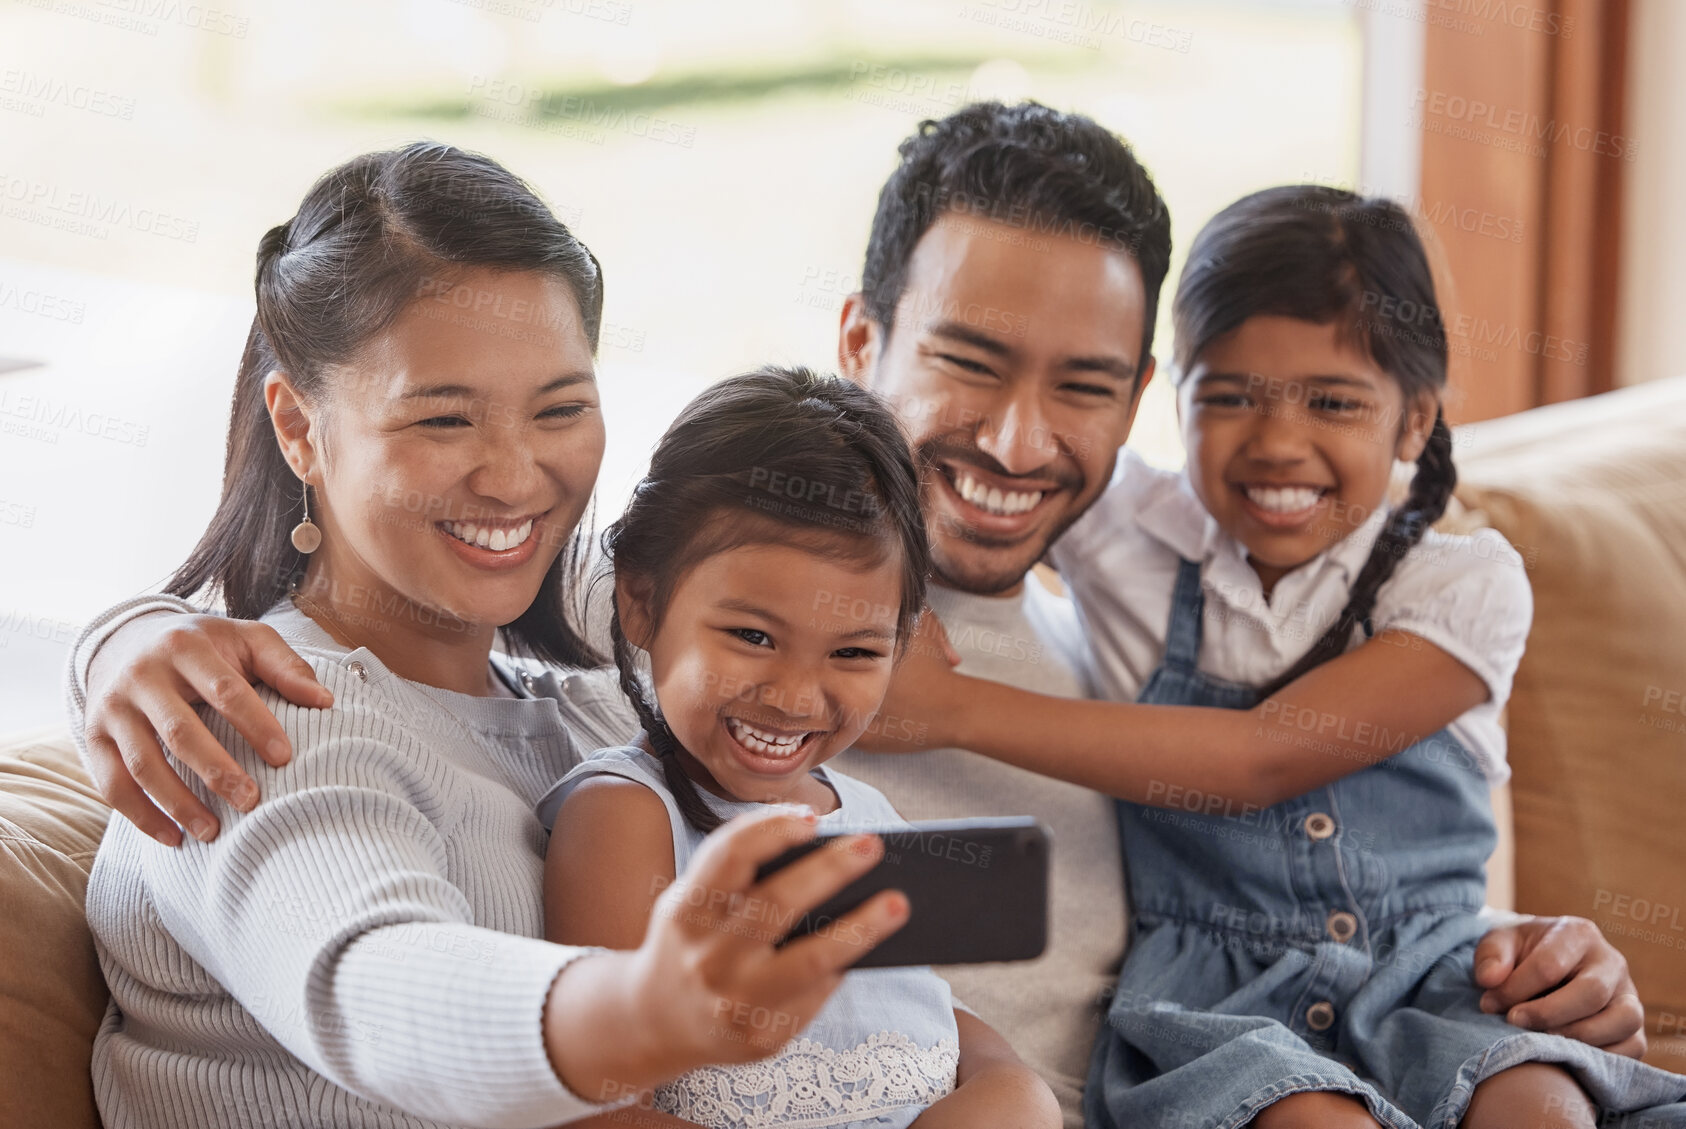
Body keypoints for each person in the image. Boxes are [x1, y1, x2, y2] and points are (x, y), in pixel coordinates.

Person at [65, 104, 1651, 1127]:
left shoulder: (1129, 602)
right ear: (858, 340)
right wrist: (134, 634)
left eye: (1082, 386)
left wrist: (1483, 959)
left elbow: (948, 929)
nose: (1022, 445)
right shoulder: (665, 628)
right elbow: (373, 958)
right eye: (968, 361)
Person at [81, 143, 914, 1129]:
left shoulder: (602, 708)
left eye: (560, 408)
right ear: (300, 428)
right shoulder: (249, 720)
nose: (516, 480)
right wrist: (649, 1011)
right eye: (444, 420)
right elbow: (379, 985)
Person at [872, 186, 1686, 1128]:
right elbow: (1006, 451)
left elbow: (1260, 758)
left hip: (1429, 972)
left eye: (1333, 401)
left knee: (1539, 1106)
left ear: (1414, 422)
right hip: (1214, 1002)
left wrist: (949, 708)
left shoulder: (1459, 586)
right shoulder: (1136, 536)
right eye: (1228, 397)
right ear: (1168, 400)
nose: (1277, 443)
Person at [543, 368, 1058, 1129]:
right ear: (641, 602)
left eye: (853, 653)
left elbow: (931, 1014)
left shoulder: (871, 815)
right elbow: (601, 1110)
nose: (793, 696)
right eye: (753, 637)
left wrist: (1016, 1090)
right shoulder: (626, 816)